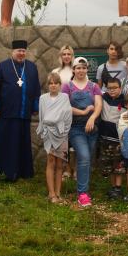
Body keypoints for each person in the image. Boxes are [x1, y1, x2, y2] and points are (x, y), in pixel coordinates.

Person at [0, 39, 41, 181]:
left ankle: (23, 172)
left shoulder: (31, 67)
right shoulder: (3, 66)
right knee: (7, 142)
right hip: (7, 112)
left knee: (22, 143)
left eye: (23, 51)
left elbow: (36, 88)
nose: (21, 53)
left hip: (24, 111)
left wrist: (35, 106)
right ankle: (5, 172)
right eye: (19, 51)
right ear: (12, 51)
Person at [62, 57, 102, 207]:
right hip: (76, 128)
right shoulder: (67, 86)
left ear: (87, 69)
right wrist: (84, 112)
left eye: (84, 68)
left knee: (87, 159)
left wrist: (92, 117)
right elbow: (65, 106)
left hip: (92, 127)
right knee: (84, 156)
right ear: (73, 70)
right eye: (78, 68)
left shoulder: (94, 86)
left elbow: (98, 104)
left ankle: (84, 186)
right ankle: (82, 194)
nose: (81, 70)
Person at [37, 72, 72, 203]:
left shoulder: (65, 97)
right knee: (51, 161)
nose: (53, 85)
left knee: (60, 164)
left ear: (60, 85)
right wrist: (45, 130)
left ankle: (58, 193)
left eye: (56, 83)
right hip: (49, 133)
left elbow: (68, 116)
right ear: (48, 85)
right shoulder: (43, 98)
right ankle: (51, 194)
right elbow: (42, 117)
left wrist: (63, 131)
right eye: (50, 83)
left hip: (62, 133)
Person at [99, 77, 127, 200]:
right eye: (109, 88)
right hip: (105, 138)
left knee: (118, 164)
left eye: (115, 88)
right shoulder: (103, 97)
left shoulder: (125, 100)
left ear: (120, 88)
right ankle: (113, 187)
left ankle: (118, 188)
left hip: (119, 139)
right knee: (109, 164)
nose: (112, 90)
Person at [51, 44, 76, 181]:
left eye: (69, 54)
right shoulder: (56, 72)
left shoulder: (77, 70)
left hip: (75, 110)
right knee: (63, 140)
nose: (66, 56)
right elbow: (52, 91)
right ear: (60, 56)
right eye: (64, 54)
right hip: (60, 111)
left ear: (72, 56)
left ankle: (74, 168)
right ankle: (65, 169)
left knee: (74, 140)